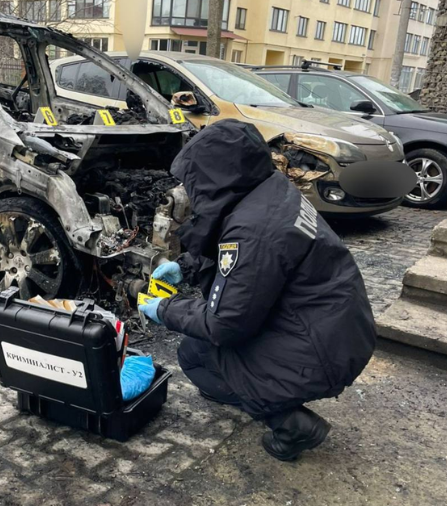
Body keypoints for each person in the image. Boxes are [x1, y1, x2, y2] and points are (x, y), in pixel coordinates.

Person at [139, 119, 375, 462]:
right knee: (194, 352)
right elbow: (247, 264)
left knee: (209, 351)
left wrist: (165, 308)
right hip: (336, 329)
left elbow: (225, 323)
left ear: (216, 176)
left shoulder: (253, 231)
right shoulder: (268, 191)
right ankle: (260, 391)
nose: (190, 189)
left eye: (194, 180)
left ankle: (290, 423)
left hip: (321, 351)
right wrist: (186, 266)